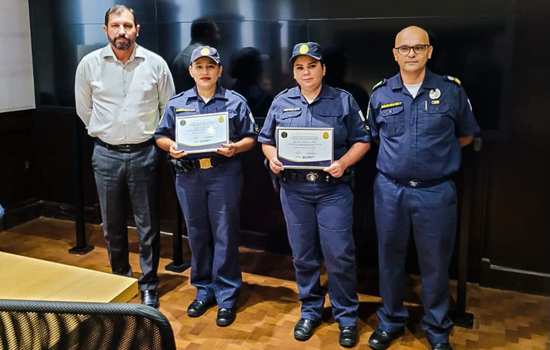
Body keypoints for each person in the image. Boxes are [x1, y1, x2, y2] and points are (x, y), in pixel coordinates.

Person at [366, 26, 480, 350]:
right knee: (389, 260)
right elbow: (373, 136)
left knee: (435, 263)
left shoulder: (452, 91)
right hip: (390, 191)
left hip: (436, 192)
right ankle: (390, 322)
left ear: (430, 51)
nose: (412, 53)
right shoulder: (381, 93)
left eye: (419, 47)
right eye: (405, 48)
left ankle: (437, 328)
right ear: (395, 54)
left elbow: (466, 135)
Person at [258, 42, 371, 348]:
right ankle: (310, 310)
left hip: (333, 191)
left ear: (323, 69)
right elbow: (266, 139)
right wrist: (272, 158)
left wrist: (343, 163)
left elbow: (363, 139)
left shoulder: (343, 100)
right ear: (293, 72)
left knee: (340, 255)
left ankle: (346, 315)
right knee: (303, 255)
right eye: (300, 67)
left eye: (311, 66)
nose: (306, 72)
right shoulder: (282, 102)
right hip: (294, 191)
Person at [74, 4, 175, 308]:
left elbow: (167, 109)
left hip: (145, 154)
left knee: (147, 225)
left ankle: (148, 284)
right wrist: (105, 131)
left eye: (128, 26)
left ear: (137, 30)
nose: (122, 32)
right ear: (106, 30)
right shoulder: (89, 65)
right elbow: (84, 109)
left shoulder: (155, 64)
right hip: (105, 155)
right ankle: (120, 279)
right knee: (111, 225)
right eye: (116, 25)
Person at [155, 45, 257, 327]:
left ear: (219, 71)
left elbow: (251, 138)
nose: (205, 72)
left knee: (225, 234)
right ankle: (203, 289)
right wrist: (172, 146)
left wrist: (235, 148)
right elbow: (160, 136)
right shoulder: (178, 103)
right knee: (197, 234)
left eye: (210, 67)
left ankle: (226, 295)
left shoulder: (235, 102)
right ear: (190, 71)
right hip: (189, 177)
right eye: (199, 67)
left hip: (223, 174)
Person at [171, 17, 220, 93]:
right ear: (207, 32)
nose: (218, 37)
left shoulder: (180, 57)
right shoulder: (206, 59)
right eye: (216, 33)